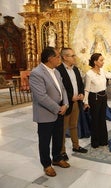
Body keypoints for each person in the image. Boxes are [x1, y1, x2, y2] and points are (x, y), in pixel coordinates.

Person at [29, 47, 70, 177]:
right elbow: (41, 97)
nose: (60, 58)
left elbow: (63, 89)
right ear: (49, 58)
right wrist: (58, 108)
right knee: (45, 141)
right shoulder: (37, 73)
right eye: (58, 56)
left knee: (58, 138)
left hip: (60, 110)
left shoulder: (56, 71)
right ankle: (46, 165)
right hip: (46, 112)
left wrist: (66, 104)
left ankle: (57, 158)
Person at [83, 53, 111, 148]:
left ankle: (103, 140)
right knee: (95, 120)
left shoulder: (102, 71)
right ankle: (95, 142)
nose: (103, 62)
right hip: (94, 97)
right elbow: (86, 89)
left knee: (102, 119)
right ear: (95, 62)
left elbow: (110, 75)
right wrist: (85, 102)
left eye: (103, 60)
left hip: (103, 96)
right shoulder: (89, 74)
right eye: (101, 60)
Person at [56, 48, 88, 161]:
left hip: (76, 102)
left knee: (74, 125)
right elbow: (60, 88)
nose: (74, 57)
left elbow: (80, 84)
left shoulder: (76, 69)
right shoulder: (58, 70)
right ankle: (62, 151)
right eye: (72, 55)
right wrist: (70, 97)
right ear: (65, 57)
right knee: (63, 129)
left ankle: (76, 146)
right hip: (65, 104)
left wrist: (81, 94)